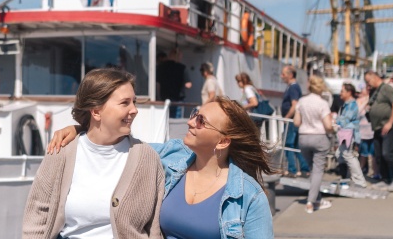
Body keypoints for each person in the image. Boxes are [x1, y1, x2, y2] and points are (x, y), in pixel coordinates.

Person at [47, 97, 275, 238]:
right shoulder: (171, 156)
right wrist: (80, 131)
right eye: (195, 114)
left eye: (201, 121)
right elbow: (124, 146)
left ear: (223, 141)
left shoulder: (249, 197)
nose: (190, 121)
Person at [21, 68, 163, 239]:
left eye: (134, 102)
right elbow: (38, 213)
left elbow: (154, 226)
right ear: (96, 111)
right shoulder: (61, 151)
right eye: (125, 103)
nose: (134, 110)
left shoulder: (147, 158)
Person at [293, 75, 335, 213]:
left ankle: (317, 198)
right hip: (319, 138)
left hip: (304, 138)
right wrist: (334, 129)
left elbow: (296, 123)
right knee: (317, 170)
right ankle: (311, 202)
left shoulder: (302, 101)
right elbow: (328, 125)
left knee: (313, 170)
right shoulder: (322, 103)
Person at [364, 71, 393, 192]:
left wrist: (389, 123)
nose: (367, 84)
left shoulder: (387, 88)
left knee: (387, 153)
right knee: (378, 155)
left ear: (374, 77)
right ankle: (385, 179)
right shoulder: (374, 91)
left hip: (388, 126)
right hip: (377, 127)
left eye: (368, 81)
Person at [334, 83, 369, 188]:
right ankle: (346, 177)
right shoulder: (347, 104)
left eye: (342, 91)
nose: (340, 93)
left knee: (348, 156)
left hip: (349, 134)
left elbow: (346, 119)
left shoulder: (352, 105)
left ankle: (359, 180)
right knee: (339, 154)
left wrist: (335, 121)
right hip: (344, 133)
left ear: (349, 92)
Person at [280, 65, 309, 178]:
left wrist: (287, 117)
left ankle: (292, 169)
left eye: (283, 74)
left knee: (289, 144)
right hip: (293, 120)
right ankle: (304, 169)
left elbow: (295, 104)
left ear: (290, 75)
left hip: (292, 121)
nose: (281, 76)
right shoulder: (292, 87)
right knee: (296, 145)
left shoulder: (293, 87)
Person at [157, 49, 192, 118]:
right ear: (177, 56)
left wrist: (158, 98)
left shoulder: (161, 67)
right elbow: (188, 85)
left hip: (164, 99)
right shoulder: (182, 68)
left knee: (165, 121)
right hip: (178, 100)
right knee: (176, 123)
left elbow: (158, 84)